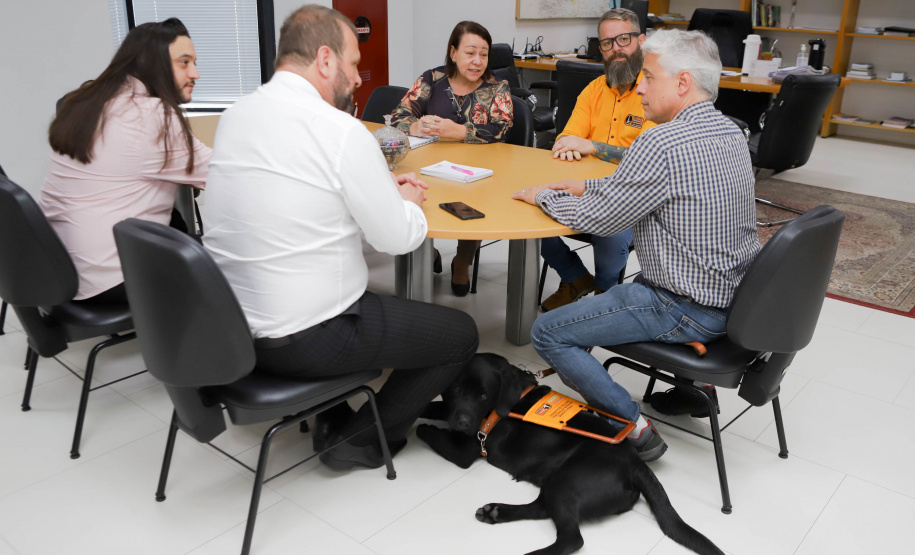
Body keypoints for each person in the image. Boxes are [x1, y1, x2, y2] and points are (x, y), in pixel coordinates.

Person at [203, 5, 479, 471]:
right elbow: (396, 238)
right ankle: (360, 441)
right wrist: (409, 205)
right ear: (326, 60)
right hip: (307, 335)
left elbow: (293, 194)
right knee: (460, 334)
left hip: (232, 325)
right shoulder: (341, 131)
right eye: (353, 64)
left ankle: (334, 412)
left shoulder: (235, 116)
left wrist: (367, 186)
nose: (357, 78)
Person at [512, 29, 759, 462]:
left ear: (682, 83)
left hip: (681, 305)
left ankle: (635, 427)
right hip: (735, 301)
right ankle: (689, 392)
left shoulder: (659, 141)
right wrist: (587, 184)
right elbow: (647, 187)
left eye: (648, 76)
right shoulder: (731, 133)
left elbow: (599, 219)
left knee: (547, 332)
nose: (639, 86)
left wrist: (543, 195)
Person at [40, 18, 210, 305]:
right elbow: (222, 176)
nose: (195, 73)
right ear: (151, 63)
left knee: (177, 221)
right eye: (184, 62)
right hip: (109, 279)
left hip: (60, 264)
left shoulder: (89, 100)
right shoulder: (153, 115)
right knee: (230, 252)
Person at [539, 8, 656, 312]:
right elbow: (566, 139)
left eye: (624, 39)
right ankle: (575, 277)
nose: (616, 48)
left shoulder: (654, 93)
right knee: (529, 210)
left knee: (610, 230)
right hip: (583, 185)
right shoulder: (593, 90)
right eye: (607, 42)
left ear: (641, 41)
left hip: (631, 193)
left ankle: (604, 297)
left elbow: (650, 159)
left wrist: (591, 146)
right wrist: (569, 144)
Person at [390, 21, 513, 296]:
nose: (477, 61)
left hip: (479, 171)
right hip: (429, 166)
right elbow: (400, 114)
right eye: (470, 53)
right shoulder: (432, 80)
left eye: (484, 54)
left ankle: (462, 261)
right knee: (416, 193)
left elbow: (501, 128)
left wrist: (458, 131)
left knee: (475, 203)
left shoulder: (497, 88)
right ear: (454, 52)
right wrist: (414, 126)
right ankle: (428, 251)